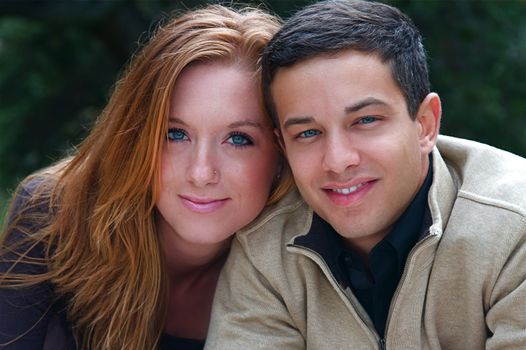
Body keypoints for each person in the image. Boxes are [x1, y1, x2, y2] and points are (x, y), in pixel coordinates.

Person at [205, 0, 526, 349]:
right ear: (284, 146)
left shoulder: (513, 230)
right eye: (308, 133)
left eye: (365, 121)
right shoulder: (265, 252)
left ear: (425, 124)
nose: (338, 161)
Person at [0, 4, 293, 350]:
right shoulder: (55, 214)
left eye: (239, 139)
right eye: (175, 134)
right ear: (137, 135)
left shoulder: (302, 263)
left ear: (280, 154)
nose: (201, 173)